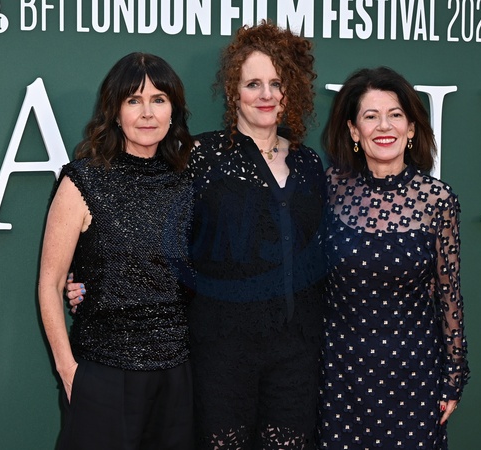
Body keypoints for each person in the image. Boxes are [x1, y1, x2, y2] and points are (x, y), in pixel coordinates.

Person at [38, 52, 195, 450]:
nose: (147, 113)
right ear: (115, 111)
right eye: (133, 100)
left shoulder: (188, 181)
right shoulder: (83, 180)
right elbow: (51, 283)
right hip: (103, 375)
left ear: (173, 110)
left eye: (159, 99)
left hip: (178, 379)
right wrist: (68, 371)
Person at [187, 22, 325, 448]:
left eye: (276, 83)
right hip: (223, 350)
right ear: (233, 92)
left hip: (296, 354)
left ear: (291, 91)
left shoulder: (309, 163)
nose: (266, 95)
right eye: (253, 84)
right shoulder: (201, 156)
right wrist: (90, 279)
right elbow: (157, 235)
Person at [318, 67, 469, 449]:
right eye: (371, 116)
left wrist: (453, 375)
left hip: (414, 375)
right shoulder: (328, 189)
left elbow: (448, 295)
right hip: (339, 375)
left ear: (411, 128)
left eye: (395, 115)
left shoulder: (437, 200)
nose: (384, 126)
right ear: (354, 131)